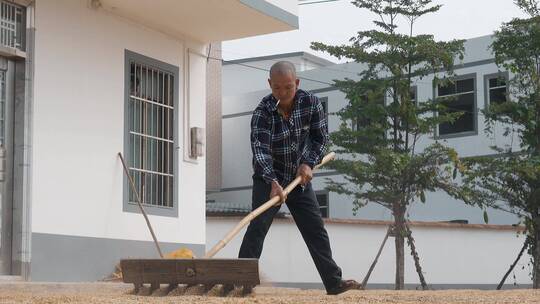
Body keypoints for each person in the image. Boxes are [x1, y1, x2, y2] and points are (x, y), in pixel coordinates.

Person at [238, 61, 361, 295]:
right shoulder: (262, 113)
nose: (282, 94)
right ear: (269, 85)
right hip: (268, 180)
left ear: (297, 83)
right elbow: (260, 151)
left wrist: (308, 163)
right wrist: (273, 182)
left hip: (299, 179)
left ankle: (333, 283)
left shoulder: (311, 103)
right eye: (276, 88)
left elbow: (320, 139)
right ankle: (241, 284)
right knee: (257, 229)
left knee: (315, 229)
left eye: (287, 88)